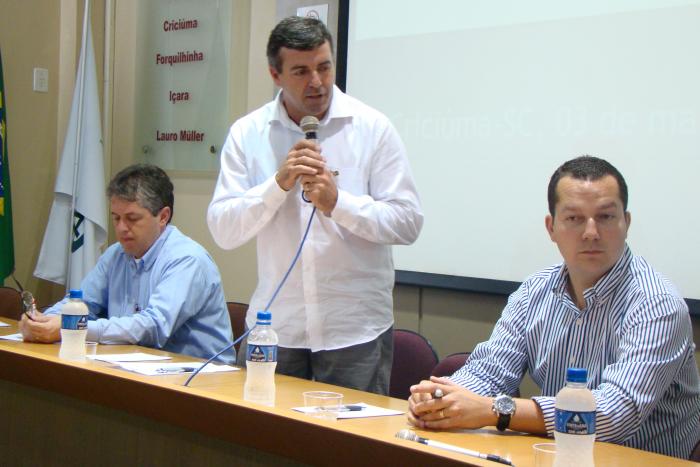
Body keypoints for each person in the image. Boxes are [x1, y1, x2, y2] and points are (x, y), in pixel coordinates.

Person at [408, 156, 700, 459]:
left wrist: (497, 410)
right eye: (574, 218)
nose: (591, 232)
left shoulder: (657, 304)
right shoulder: (535, 291)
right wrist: (440, 399)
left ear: (626, 222)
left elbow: (615, 414)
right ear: (551, 227)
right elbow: (489, 373)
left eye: (605, 217)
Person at [207, 16, 423, 394]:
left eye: (324, 67)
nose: (318, 82)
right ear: (275, 75)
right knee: (264, 445)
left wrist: (338, 203)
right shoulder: (248, 134)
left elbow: (407, 222)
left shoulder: (372, 127)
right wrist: (277, 185)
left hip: (354, 330)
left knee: (350, 451)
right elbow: (223, 230)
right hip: (278, 328)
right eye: (301, 71)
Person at [20, 164, 234, 363]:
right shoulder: (115, 255)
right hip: (137, 369)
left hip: (202, 380)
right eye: (116, 218)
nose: (121, 228)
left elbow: (153, 327)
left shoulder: (187, 260)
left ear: (163, 217)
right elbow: (81, 302)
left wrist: (72, 327)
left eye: (132, 218)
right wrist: (42, 322)